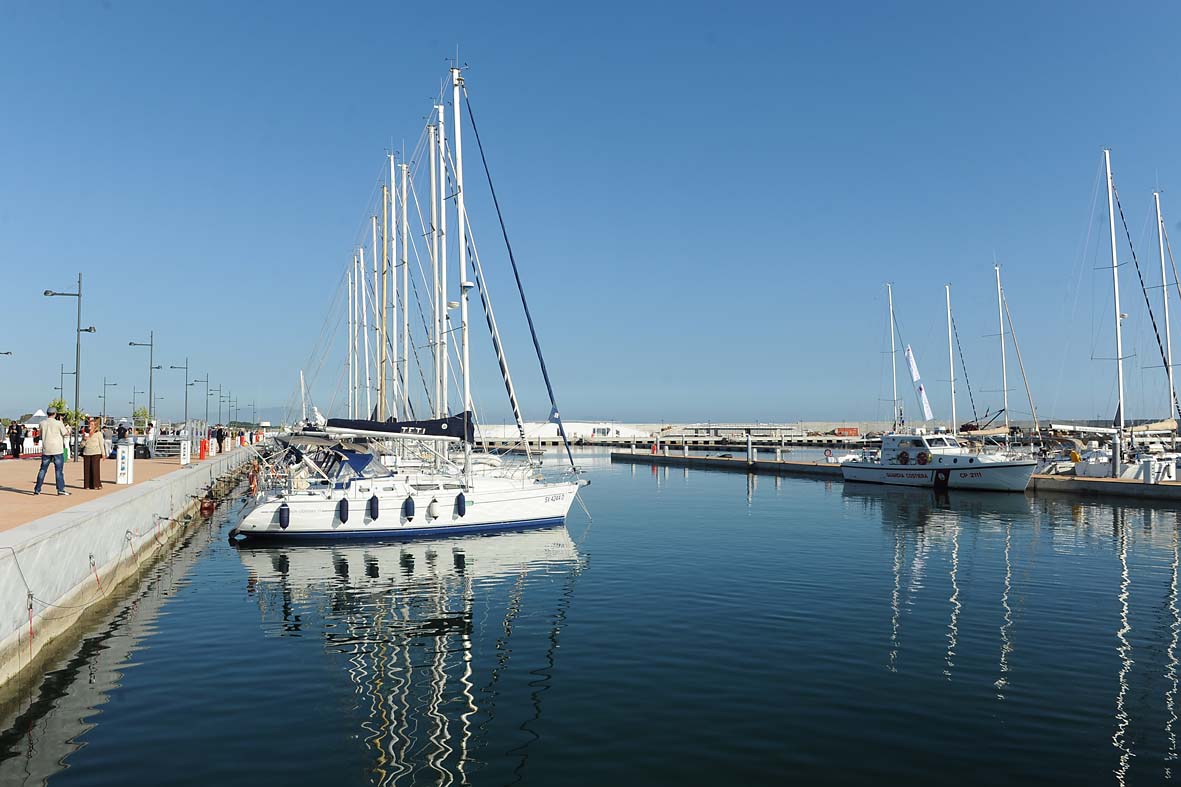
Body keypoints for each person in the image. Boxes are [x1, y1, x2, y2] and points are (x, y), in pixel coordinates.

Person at [33, 406, 71, 496]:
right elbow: (66, 433)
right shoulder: (58, 423)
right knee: (58, 470)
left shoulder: (42, 423)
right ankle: (60, 489)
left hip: (46, 449)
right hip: (57, 449)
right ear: (55, 414)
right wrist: (63, 423)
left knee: (42, 469)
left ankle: (37, 489)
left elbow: (41, 434)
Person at [82, 417, 104, 490]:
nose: (90, 425)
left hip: (96, 452)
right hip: (86, 453)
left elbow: (101, 444)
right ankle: (87, 485)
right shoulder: (85, 433)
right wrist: (84, 440)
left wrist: (103, 454)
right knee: (87, 470)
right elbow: (81, 445)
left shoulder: (98, 434)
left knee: (95, 469)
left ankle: (96, 485)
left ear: (95, 426)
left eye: (92, 424)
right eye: (89, 424)